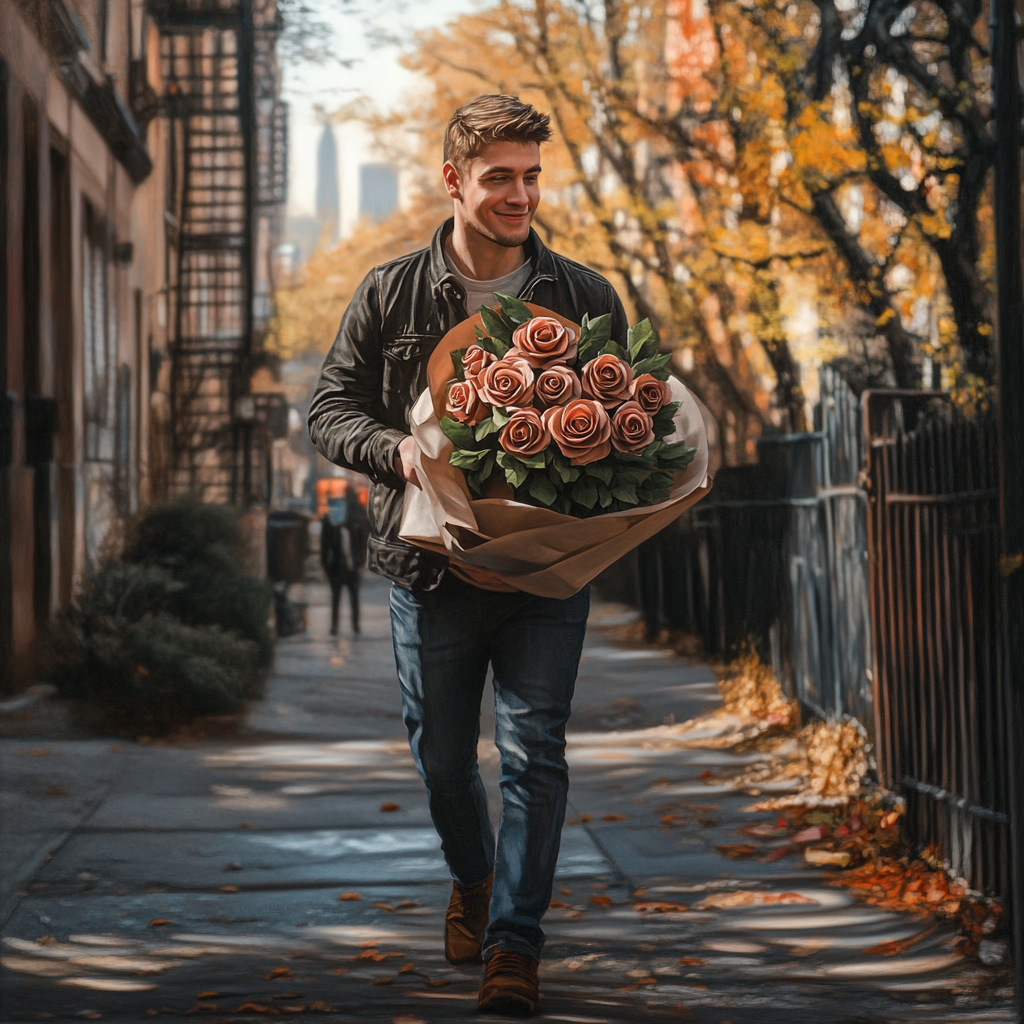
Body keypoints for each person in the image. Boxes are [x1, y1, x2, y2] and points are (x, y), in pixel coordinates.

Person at [308, 94, 627, 1015]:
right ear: (455, 181)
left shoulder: (584, 295)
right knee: (445, 759)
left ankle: (514, 946)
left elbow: (627, 424)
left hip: (546, 573)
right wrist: (396, 450)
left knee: (536, 749)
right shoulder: (390, 292)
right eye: (500, 178)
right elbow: (331, 409)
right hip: (432, 571)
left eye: (531, 177)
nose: (519, 195)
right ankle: (475, 877)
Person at [319, 485, 365, 635]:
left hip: (351, 565)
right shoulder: (330, 521)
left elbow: (362, 541)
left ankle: (355, 626)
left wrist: (359, 561)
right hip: (336, 566)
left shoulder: (355, 520)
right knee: (336, 598)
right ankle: (335, 626)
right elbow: (324, 545)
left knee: (352, 597)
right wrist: (326, 565)